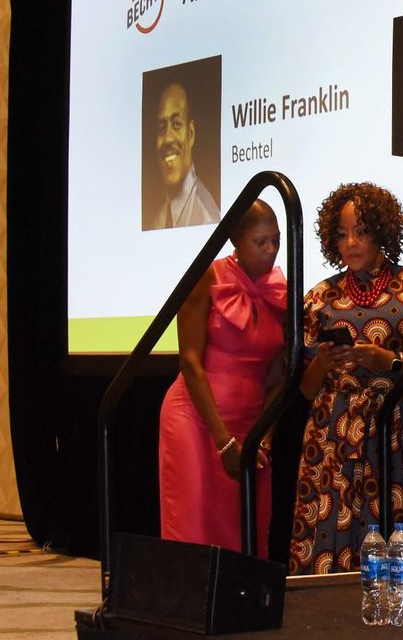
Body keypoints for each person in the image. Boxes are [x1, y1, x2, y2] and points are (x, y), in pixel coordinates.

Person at [289, 181, 403, 573]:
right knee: (335, 559)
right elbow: (306, 390)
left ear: (382, 230)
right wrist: (323, 363)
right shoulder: (318, 299)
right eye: (341, 235)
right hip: (335, 438)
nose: (351, 243)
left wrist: (388, 360)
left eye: (360, 231)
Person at [158, 199, 287, 554]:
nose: (271, 250)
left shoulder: (279, 291)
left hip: (251, 425)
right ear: (235, 239)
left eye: (276, 240)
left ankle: (239, 608)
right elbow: (190, 361)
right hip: (198, 421)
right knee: (196, 526)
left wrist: (264, 438)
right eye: (261, 241)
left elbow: (278, 378)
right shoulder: (208, 276)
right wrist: (223, 442)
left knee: (246, 530)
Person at [146, 81, 220, 230]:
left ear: (191, 134)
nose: (167, 138)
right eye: (161, 128)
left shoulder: (207, 218)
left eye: (176, 124)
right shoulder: (157, 221)